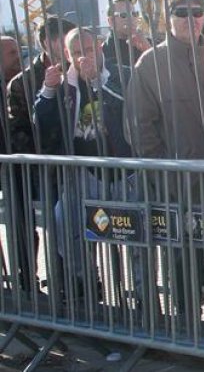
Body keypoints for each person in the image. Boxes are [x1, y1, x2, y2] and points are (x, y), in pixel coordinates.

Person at [124, 0, 204, 328]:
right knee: (182, 259)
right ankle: (187, 324)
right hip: (175, 188)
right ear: (168, 17)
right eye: (181, 12)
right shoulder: (150, 64)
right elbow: (139, 128)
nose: (190, 19)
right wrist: (170, 175)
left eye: (197, 11)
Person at [34, 27, 137, 305]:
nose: (82, 58)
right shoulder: (63, 83)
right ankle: (88, 283)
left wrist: (97, 85)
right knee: (62, 222)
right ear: (67, 54)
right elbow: (41, 126)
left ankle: (143, 295)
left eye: (88, 50)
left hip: (125, 172)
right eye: (76, 53)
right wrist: (47, 91)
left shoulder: (121, 74)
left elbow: (132, 108)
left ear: (100, 48)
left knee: (138, 233)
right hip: (83, 173)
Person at [6, 16, 77, 294]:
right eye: (63, 39)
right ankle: (55, 284)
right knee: (53, 228)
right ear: (47, 42)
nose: (69, 45)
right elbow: (20, 133)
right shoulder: (24, 82)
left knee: (81, 226)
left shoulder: (79, 71)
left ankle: (80, 282)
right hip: (45, 169)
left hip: (78, 164)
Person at [102, 0, 150, 85]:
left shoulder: (147, 42)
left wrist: (147, 49)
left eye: (134, 14)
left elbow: (165, 71)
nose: (131, 18)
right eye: (124, 15)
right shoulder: (104, 51)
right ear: (111, 21)